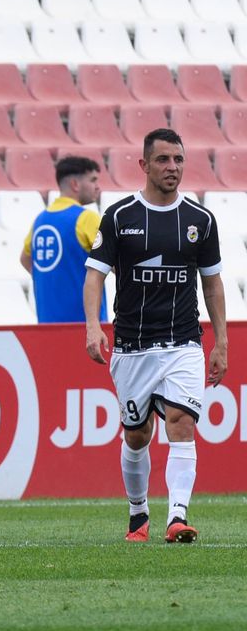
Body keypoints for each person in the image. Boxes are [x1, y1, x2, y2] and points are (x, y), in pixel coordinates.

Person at [84, 128, 228, 544]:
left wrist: (220, 341)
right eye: (164, 160)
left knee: (181, 424)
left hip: (183, 343)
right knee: (137, 434)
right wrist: (93, 326)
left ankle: (177, 517)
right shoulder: (119, 216)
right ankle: (138, 513)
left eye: (179, 160)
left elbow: (212, 284)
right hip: (131, 346)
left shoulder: (200, 221)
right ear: (144, 165)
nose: (173, 168)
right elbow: (95, 276)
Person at [20, 155, 105, 323]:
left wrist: (54, 282)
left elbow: (25, 259)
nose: (97, 187)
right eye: (93, 180)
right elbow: (117, 265)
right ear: (75, 184)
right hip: (86, 326)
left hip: (47, 323)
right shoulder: (87, 218)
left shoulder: (41, 220)